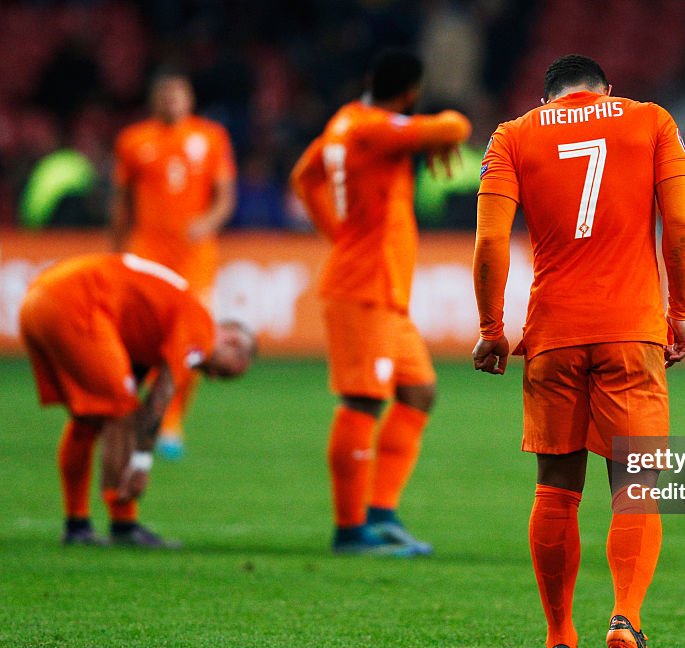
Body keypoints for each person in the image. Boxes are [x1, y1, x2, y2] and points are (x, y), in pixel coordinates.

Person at [472, 55, 685, 648]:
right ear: (607, 90)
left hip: (554, 335)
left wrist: (493, 329)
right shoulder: (650, 120)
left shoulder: (513, 135)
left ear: (548, 97)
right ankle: (626, 614)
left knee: (555, 490)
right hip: (632, 330)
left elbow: (491, 241)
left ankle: (558, 640)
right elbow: (680, 224)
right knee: (635, 488)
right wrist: (678, 311)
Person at [290, 49, 471, 556]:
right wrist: (432, 129)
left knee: (418, 391)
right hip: (363, 289)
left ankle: (381, 512)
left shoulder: (343, 121)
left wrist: (339, 232)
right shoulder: (374, 129)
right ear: (410, 94)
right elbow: (455, 126)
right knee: (363, 400)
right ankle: (350, 531)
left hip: (382, 289)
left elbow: (304, 178)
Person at [19, 253, 254, 548]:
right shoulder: (201, 325)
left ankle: (77, 524)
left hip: (39, 298)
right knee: (121, 414)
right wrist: (141, 462)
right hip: (77, 303)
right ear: (231, 341)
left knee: (88, 419)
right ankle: (123, 523)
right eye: (223, 371)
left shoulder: (161, 318)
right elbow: (163, 392)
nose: (213, 378)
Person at [111, 70, 238, 461]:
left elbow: (224, 197)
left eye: (178, 95)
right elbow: (121, 201)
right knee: (139, 341)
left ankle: (171, 420)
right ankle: (127, 412)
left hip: (195, 259)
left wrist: (208, 221)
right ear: (154, 100)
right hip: (147, 254)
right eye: (164, 95)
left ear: (190, 99)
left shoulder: (211, 137)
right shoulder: (134, 140)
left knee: (192, 342)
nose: (171, 102)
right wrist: (117, 250)